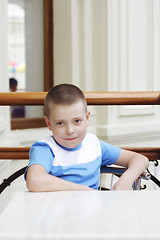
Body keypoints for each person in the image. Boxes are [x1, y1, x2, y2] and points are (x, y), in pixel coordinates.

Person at [25, 84, 149, 192]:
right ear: (49, 123)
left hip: (91, 212)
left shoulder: (93, 144)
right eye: (60, 123)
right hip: (57, 214)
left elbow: (140, 159)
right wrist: (85, 191)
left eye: (77, 121)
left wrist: (125, 180)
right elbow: (35, 180)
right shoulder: (45, 148)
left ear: (87, 118)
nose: (70, 131)